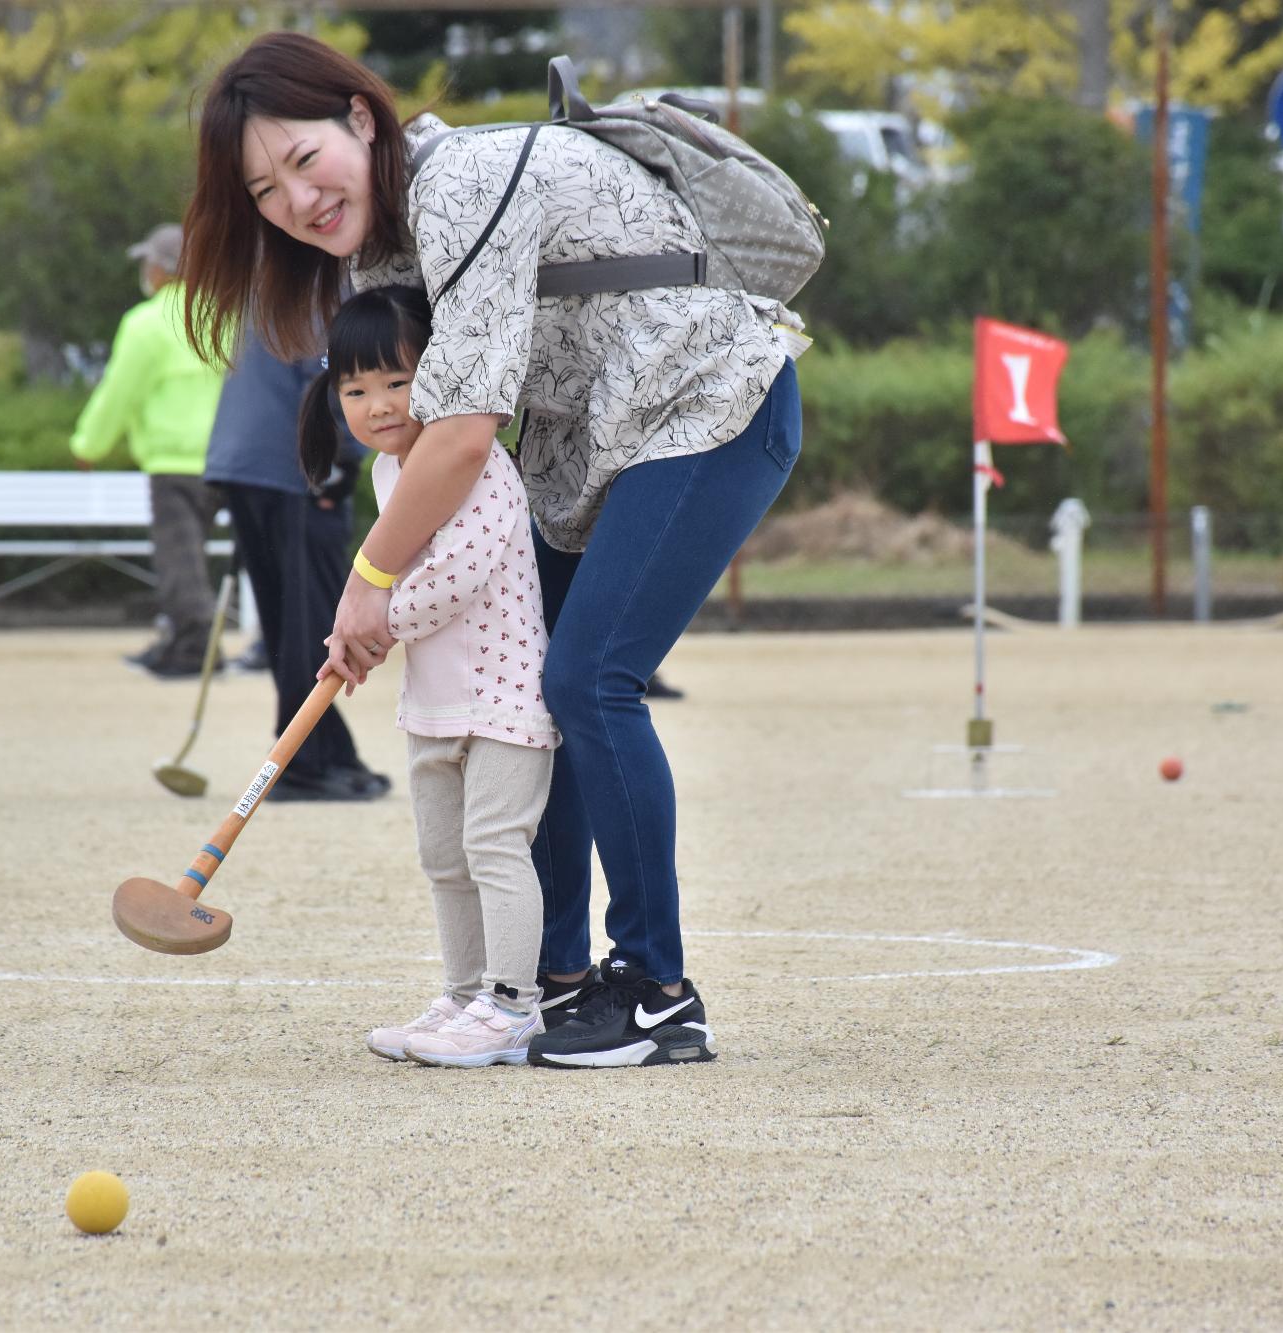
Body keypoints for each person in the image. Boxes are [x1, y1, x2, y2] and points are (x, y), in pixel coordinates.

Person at [181, 34, 809, 1066]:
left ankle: (656, 994)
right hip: (589, 446)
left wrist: (371, 582)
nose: (296, 199)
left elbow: (465, 430)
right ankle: (536, 985)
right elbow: (426, 439)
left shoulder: (461, 182)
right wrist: (388, 592)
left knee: (588, 677)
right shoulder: (378, 255)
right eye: (262, 190)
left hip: (705, 403)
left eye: (302, 160)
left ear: (359, 119)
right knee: (531, 694)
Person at [302, 285, 555, 1064]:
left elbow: (456, 574)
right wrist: (368, 629)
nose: (376, 405)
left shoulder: (477, 466)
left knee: (494, 848)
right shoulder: (389, 478)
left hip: (503, 698)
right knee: (444, 859)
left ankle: (513, 1007)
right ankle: (463, 993)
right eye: (355, 388)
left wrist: (374, 629)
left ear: (441, 375)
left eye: (396, 382)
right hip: (433, 707)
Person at [205, 326, 389, 801]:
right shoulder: (331, 281)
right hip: (295, 465)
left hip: (245, 461)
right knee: (313, 619)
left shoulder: (278, 278)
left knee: (288, 620)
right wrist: (342, 461)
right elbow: (332, 380)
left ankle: (326, 752)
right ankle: (302, 765)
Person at [70, 223, 227, 680]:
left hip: (174, 462)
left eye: (148, 263)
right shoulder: (223, 313)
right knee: (201, 556)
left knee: (179, 558)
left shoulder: (145, 324)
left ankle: (194, 646)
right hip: (225, 458)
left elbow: (117, 395)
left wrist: (88, 444)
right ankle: (184, 639)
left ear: (160, 270)